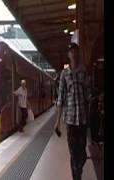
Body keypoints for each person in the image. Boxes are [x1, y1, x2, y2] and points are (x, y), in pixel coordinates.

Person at [54, 43, 89, 180]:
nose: (74, 54)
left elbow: (87, 95)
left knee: (82, 154)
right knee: (74, 154)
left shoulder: (84, 72)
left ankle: (78, 172)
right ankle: (77, 177)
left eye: (75, 51)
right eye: (71, 52)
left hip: (83, 120)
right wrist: (57, 122)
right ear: (68, 55)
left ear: (78, 54)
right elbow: (61, 99)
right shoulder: (64, 74)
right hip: (70, 121)